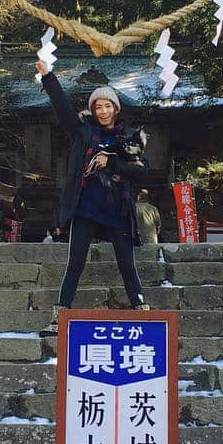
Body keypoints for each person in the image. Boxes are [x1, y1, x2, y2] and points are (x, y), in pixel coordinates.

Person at [36, 59, 150, 336]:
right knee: (75, 261)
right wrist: (48, 77)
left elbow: (140, 172)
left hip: (117, 208)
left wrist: (111, 163)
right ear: (93, 109)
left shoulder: (129, 137)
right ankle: (59, 314)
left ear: (116, 108)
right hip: (86, 206)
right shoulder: (84, 132)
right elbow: (63, 109)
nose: (103, 110)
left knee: (127, 263)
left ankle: (141, 309)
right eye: (98, 106)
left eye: (107, 105)